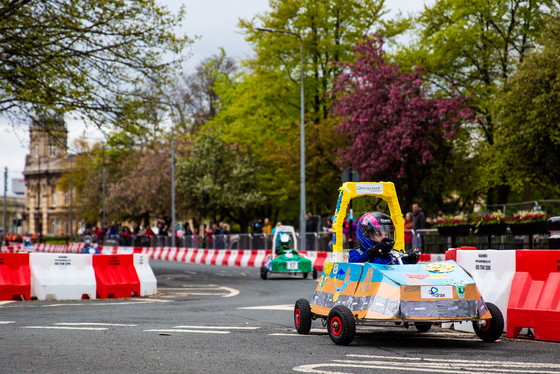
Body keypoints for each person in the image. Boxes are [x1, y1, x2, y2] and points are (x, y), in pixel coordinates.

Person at [349, 212, 419, 264]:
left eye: (386, 234)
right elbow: (353, 268)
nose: (385, 237)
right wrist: (370, 253)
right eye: (379, 234)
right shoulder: (356, 253)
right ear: (366, 235)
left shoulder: (393, 255)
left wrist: (409, 260)